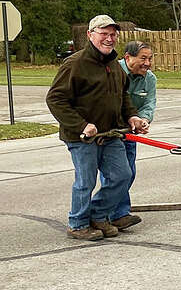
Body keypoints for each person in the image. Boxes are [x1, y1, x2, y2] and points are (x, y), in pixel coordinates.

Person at [45, 15, 150, 241]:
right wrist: (82, 125)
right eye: (104, 34)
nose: (109, 39)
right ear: (90, 35)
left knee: (122, 175)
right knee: (86, 181)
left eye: (113, 34)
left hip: (111, 134)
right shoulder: (75, 63)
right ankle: (78, 223)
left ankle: (98, 215)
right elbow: (55, 99)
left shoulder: (114, 65)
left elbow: (122, 96)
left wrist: (132, 117)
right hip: (82, 137)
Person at [101, 40, 156, 231]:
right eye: (143, 58)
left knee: (128, 173)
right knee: (116, 174)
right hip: (109, 132)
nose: (147, 63)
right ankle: (114, 214)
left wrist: (143, 120)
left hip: (130, 132)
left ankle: (114, 213)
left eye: (149, 58)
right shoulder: (112, 73)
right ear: (127, 57)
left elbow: (149, 104)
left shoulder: (150, 79)